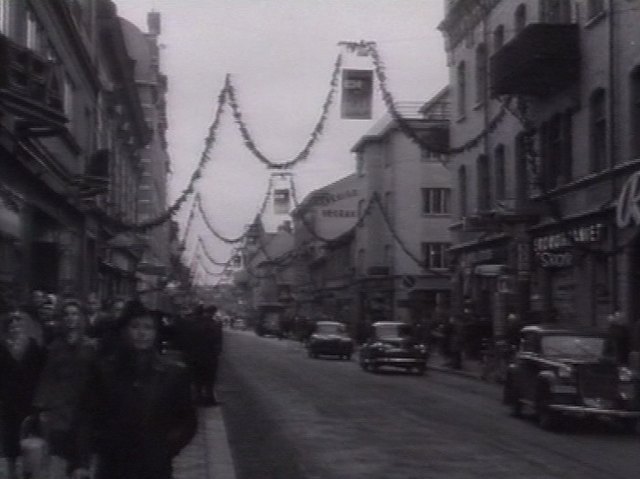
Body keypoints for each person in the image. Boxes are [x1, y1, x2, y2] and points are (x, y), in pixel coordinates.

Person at [72, 301, 197, 479]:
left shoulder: (172, 374)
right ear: (124, 330)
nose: (141, 333)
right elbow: (85, 416)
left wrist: (166, 448)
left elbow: (187, 421)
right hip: (114, 464)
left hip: (154, 466)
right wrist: (82, 462)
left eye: (148, 328)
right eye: (135, 326)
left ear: (155, 333)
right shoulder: (105, 371)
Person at [33, 298, 97, 478]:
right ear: (62, 318)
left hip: (83, 408)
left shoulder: (90, 346)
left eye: (75, 314)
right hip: (59, 409)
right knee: (60, 455)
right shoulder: (54, 347)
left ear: (81, 317)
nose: (71, 318)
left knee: (82, 458)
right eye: (67, 314)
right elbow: (47, 378)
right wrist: (42, 407)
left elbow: (97, 379)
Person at [0, 309, 45, 479]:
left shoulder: (33, 346)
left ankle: (29, 473)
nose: (15, 327)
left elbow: (41, 372)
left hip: (29, 401)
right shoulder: (2, 348)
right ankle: (12, 473)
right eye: (11, 324)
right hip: (9, 402)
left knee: (30, 441)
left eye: (18, 323)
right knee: (11, 442)